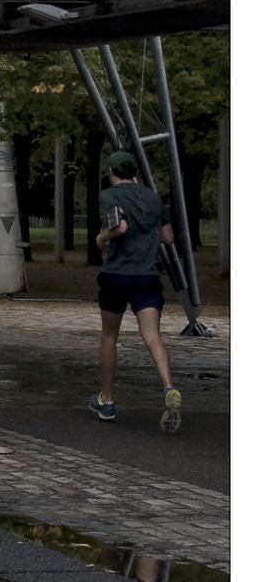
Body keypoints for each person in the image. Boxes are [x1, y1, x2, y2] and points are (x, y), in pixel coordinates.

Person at [90, 149, 181, 430]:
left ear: (111, 173)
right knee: (153, 336)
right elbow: (168, 237)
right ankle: (168, 387)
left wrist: (102, 238)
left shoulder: (109, 196)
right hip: (146, 277)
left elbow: (119, 227)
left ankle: (106, 400)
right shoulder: (154, 198)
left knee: (109, 336)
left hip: (116, 275)